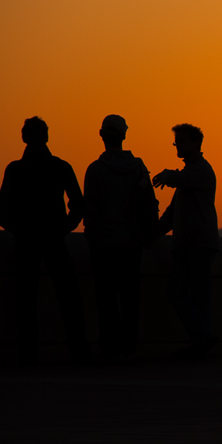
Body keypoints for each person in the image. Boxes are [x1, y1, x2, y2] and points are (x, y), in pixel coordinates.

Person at [0, 116, 92, 364]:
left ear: (24, 137)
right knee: (69, 298)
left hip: (27, 240)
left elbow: (0, 208)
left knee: (25, 301)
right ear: (46, 137)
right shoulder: (60, 167)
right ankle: (79, 353)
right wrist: (62, 229)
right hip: (53, 239)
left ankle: (28, 357)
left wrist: (19, 228)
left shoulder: (16, 169)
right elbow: (79, 205)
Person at [83, 115, 159, 361]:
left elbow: (91, 211)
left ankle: (110, 347)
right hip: (131, 243)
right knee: (129, 298)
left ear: (101, 135)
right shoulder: (138, 167)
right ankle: (128, 347)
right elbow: (150, 204)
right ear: (124, 135)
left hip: (103, 243)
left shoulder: (95, 170)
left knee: (105, 299)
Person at [152, 123, 219, 359]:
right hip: (189, 244)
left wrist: (167, 175)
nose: (176, 146)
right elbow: (172, 214)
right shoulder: (191, 175)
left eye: (179, 141)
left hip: (197, 244)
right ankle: (203, 340)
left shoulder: (201, 171)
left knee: (184, 294)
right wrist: (153, 233)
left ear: (194, 143)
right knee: (193, 295)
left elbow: (180, 180)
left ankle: (203, 339)